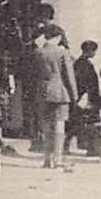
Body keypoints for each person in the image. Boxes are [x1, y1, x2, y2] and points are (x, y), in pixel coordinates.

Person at [32, 24, 78, 171]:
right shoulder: (63, 53)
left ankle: (47, 159)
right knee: (59, 126)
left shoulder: (38, 52)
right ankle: (57, 159)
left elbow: (32, 75)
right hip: (60, 92)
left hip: (43, 92)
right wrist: (74, 96)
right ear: (58, 37)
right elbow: (69, 76)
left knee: (46, 127)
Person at [72, 40, 101, 156]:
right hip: (88, 97)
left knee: (80, 123)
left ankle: (87, 146)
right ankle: (92, 148)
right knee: (91, 123)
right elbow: (86, 82)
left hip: (84, 96)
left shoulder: (79, 63)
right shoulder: (85, 64)